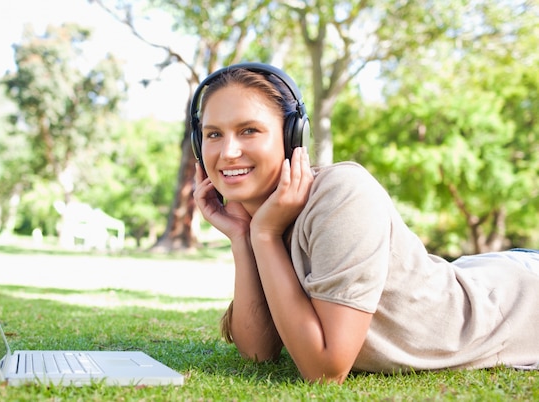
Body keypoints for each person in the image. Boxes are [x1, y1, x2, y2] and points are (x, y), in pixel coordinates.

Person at [190, 62, 539, 384]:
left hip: (520, 296)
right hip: (477, 273)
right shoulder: (264, 217)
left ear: (293, 139)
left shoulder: (342, 194)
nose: (228, 151)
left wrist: (263, 235)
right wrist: (244, 237)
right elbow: (257, 353)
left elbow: (325, 371)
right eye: (213, 134)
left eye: (249, 130)